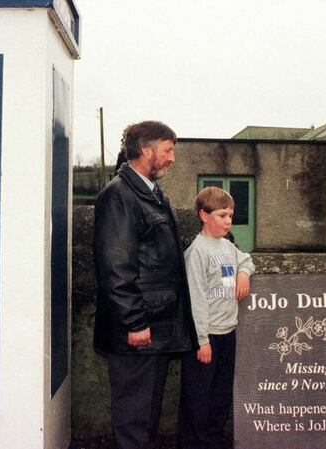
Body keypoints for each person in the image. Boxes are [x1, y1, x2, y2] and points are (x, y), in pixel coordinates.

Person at [93, 120, 197, 449]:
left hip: (157, 326)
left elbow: (169, 252)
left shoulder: (151, 194)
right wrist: (135, 323)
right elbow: (115, 268)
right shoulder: (119, 196)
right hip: (138, 331)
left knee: (147, 414)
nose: (172, 158)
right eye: (168, 150)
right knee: (134, 418)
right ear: (146, 150)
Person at [178, 187, 255, 449]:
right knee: (198, 397)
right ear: (203, 215)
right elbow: (196, 300)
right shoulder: (196, 252)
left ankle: (211, 441)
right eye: (222, 215)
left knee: (220, 396)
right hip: (205, 337)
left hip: (227, 333)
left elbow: (246, 260)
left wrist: (243, 273)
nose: (228, 221)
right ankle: (194, 443)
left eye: (231, 215)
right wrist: (201, 341)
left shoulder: (227, 246)